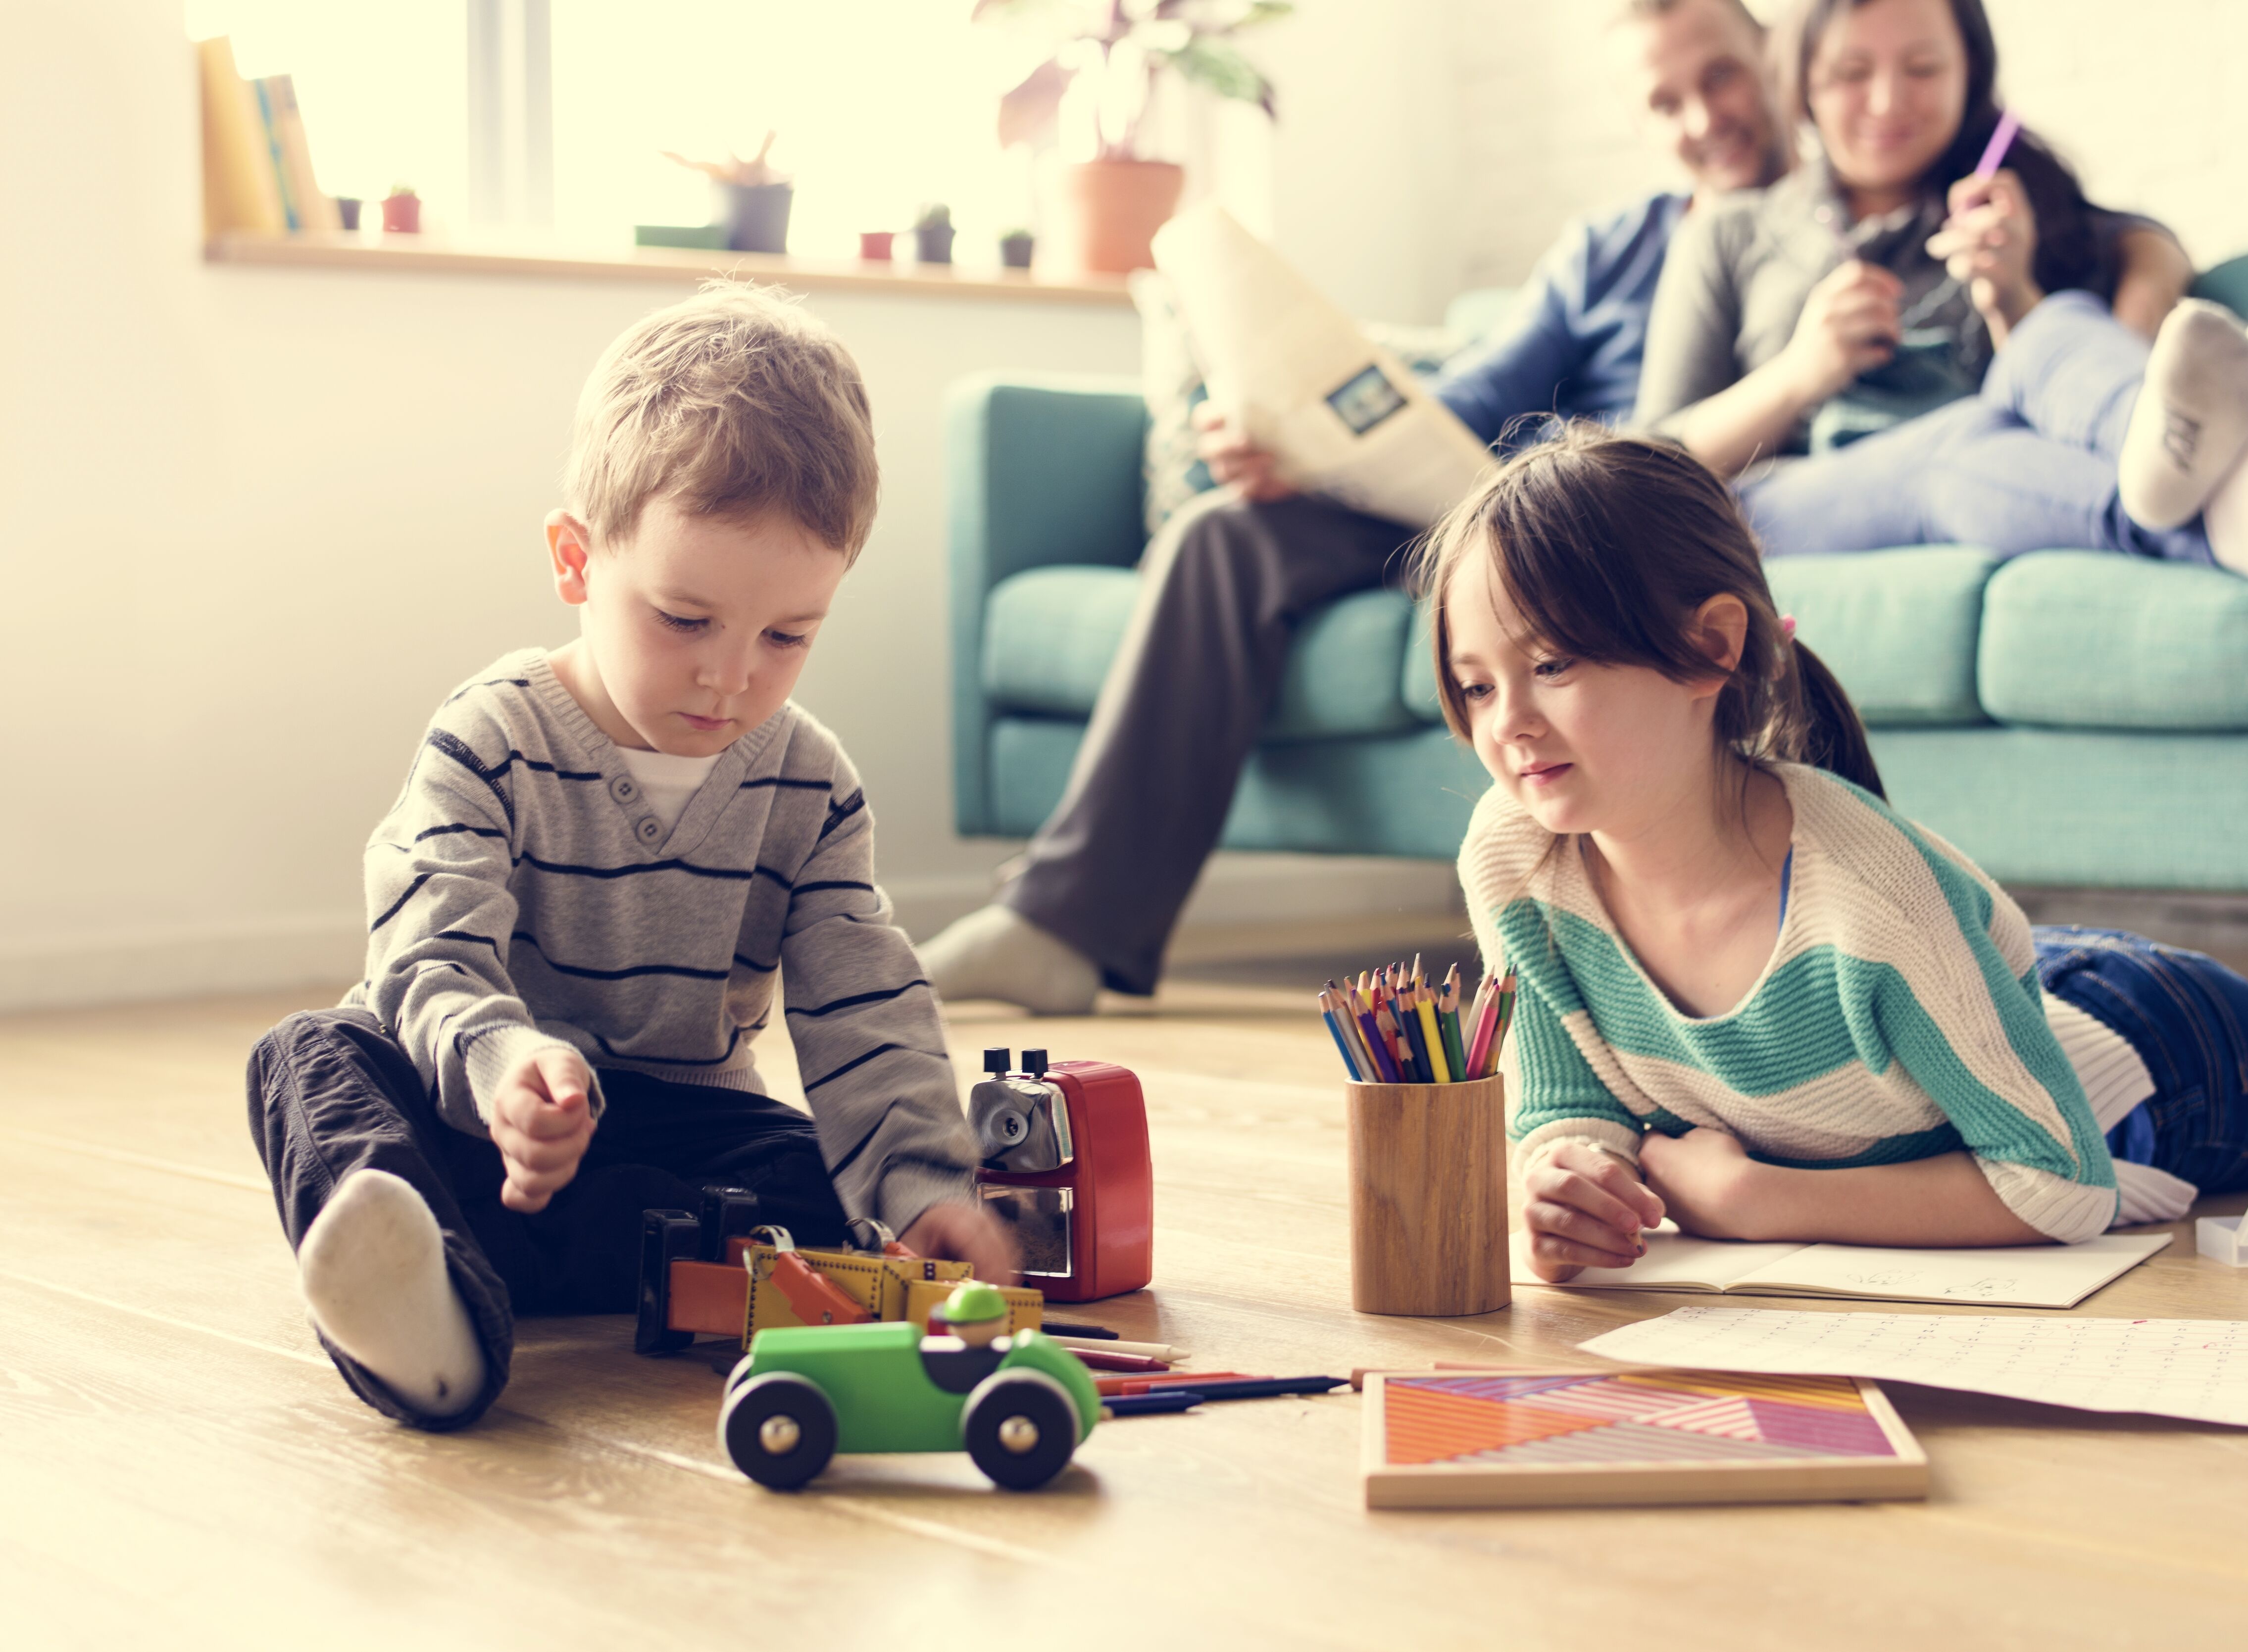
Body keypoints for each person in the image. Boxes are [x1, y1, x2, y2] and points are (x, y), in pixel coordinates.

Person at [1422, 427, 2248, 1275]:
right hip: (2004, 1006)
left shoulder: (1868, 891)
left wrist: (1759, 1199)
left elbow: (2060, 1182)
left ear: (1711, 649)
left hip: (2163, 1068)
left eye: (1551, 664)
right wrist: (1569, 1178)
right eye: (1475, 684)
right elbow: (1567, 1100)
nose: (1506, 723)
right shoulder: (1516, 861)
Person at [919, 0, 1797, 1016]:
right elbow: (1473, 396)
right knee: (1226, 535)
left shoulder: (1813, 241)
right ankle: (1059, 925)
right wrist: (1305, 452)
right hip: (1489, 514)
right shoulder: (1612, 247)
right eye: (1665, 101)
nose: (1702, 118)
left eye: (1719, 79)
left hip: (1619, 542)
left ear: (1772, 60)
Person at [244, 282, 1016, 1431]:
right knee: (309, 1058)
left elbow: (863, 999)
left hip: (672, 1135)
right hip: (475, 1121)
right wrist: (506, 1066)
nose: (731, 677)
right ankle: (433, 1319)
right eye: (684, 619)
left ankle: (528, 1264)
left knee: (820, 1175)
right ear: (575, 560)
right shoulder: (489, 737)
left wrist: (920, 1186)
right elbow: (428, 957)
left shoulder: (809, 784)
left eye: (788, 635)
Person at [1636, 0, 2248, 583]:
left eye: (1923, 69)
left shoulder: (2008, 200)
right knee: (1961, 440)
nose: (1888, 101)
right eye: (1852, 73)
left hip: (1999, 460)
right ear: (1804, 84)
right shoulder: (1733, 232)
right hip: (1787, 498)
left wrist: (2013, 295)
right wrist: (1799, 373)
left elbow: (2141, 238)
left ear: (1969, 73)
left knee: (2053, 325)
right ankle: (2228, 515)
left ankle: (2201, 448)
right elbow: (1648, 461)